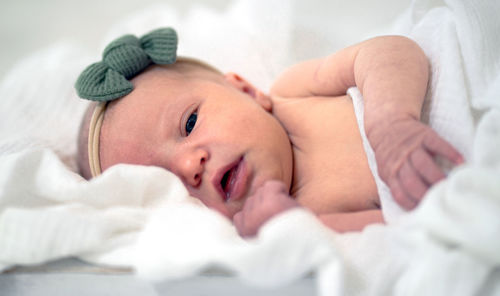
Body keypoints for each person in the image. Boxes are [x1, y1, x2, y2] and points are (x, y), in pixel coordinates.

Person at [76, 28, 464, 237]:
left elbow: (389, 51)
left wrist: (392, 119)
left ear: (246, 90)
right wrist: (302, 227)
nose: (189, 165)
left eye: (190, 123)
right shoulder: (293, 220)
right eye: (168, 183)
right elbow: (405, 234)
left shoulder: (295, 92)